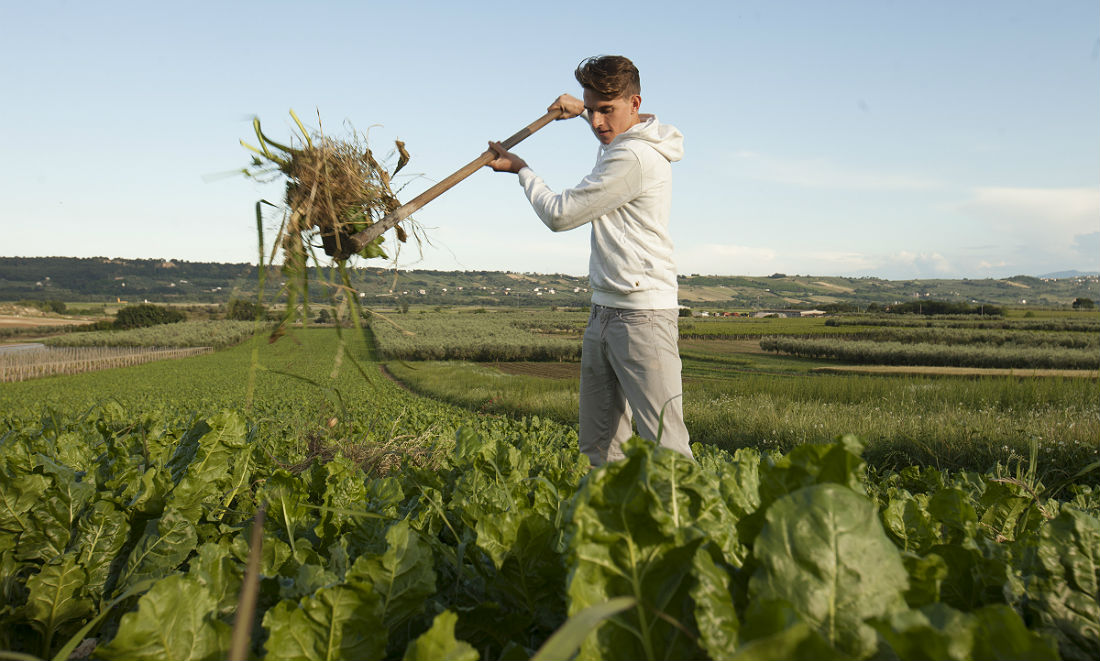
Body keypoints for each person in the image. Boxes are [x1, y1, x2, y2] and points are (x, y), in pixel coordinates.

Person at [485, 55, 693, 467]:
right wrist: (582, 111)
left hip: (642, 318)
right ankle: (605, 529)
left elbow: (560, 215)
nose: (599, 122)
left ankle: (688, 529)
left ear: (636, 104)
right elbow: (605, 125)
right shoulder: (621, 142)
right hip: (604, 313)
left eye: (607, 110)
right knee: (598, 449)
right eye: (593, 108)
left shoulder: (632, 157)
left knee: (666, 451)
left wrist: (523, 170)